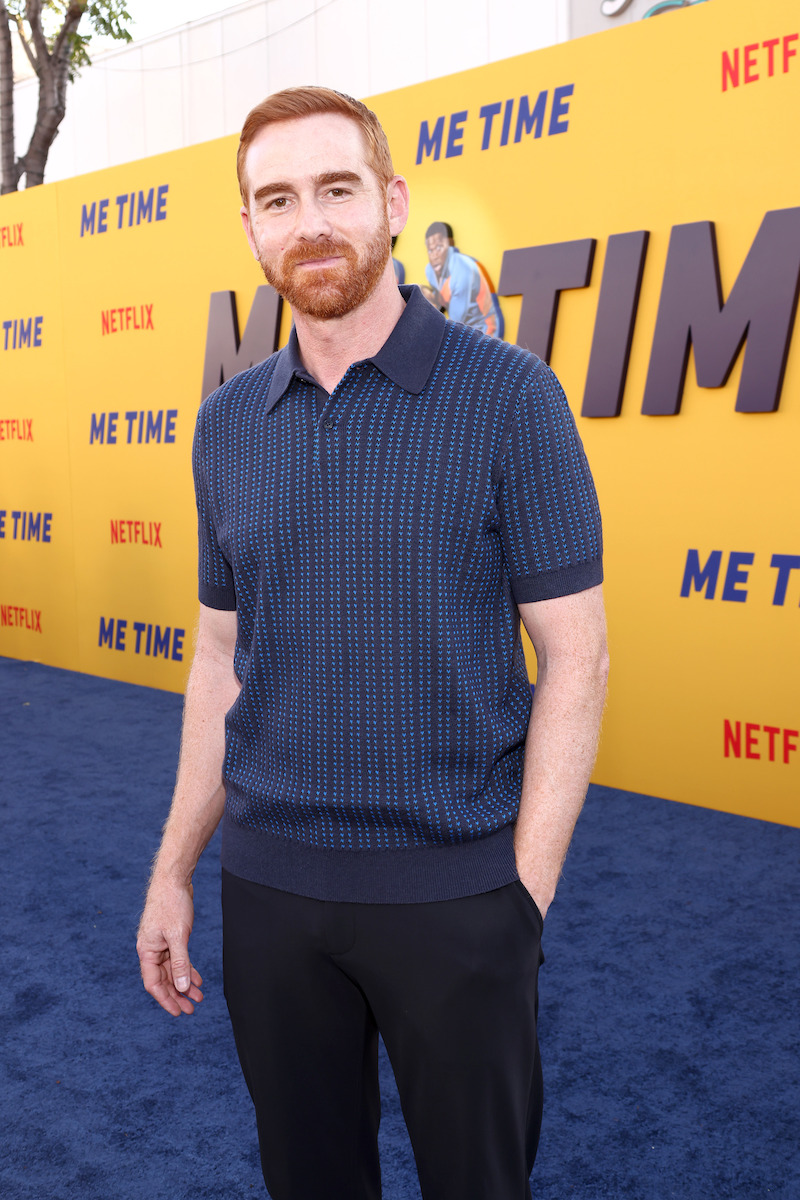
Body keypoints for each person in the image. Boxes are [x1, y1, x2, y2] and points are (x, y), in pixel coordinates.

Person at [136, 85, 609, 1200]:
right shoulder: (223, 427)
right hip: (269, 897)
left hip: (457, 902)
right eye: (277, 198)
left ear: (392, 204)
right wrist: (172, 872)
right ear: (248, 228)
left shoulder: (511, 398)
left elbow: (576, 658)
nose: (310, 223)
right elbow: (216, 659)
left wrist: (519, 900)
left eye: (337, 189)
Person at [424, 220, 503, 337]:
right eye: (431, 250)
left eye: (439, 247)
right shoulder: (430, 270)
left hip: (486, 331)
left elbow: (457, 321)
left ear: (450, 243)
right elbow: (440, 304)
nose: (434, 254)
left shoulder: (463, 269)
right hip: (464, 332)